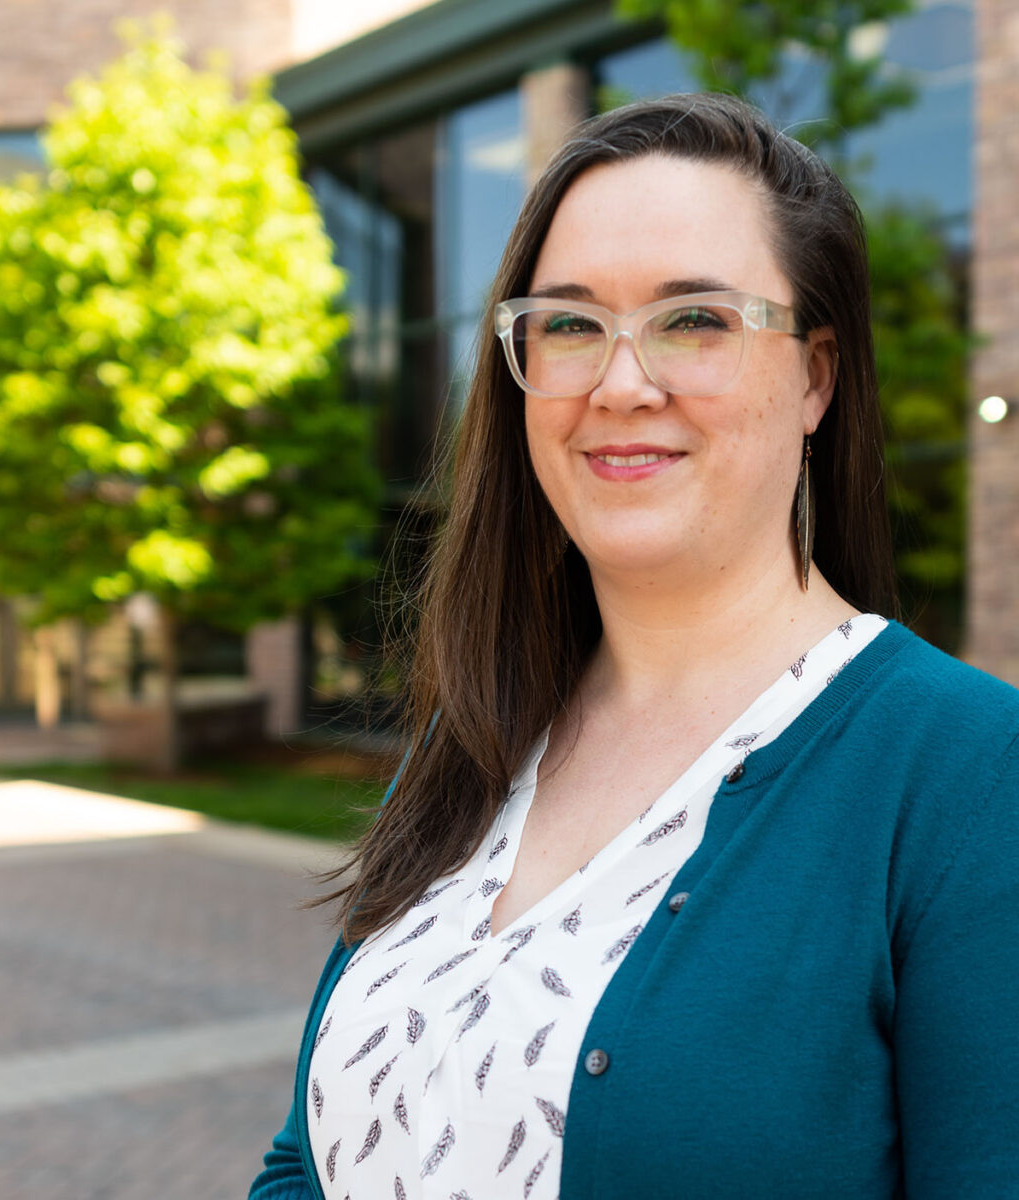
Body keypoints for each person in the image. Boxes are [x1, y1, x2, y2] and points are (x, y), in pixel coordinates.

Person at [250, 93, 1019, 1199]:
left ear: (814, 376)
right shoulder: (476, 734)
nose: (620, 384)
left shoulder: (969, 778)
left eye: (694, 320)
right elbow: (307, 1160)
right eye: (568, 325)